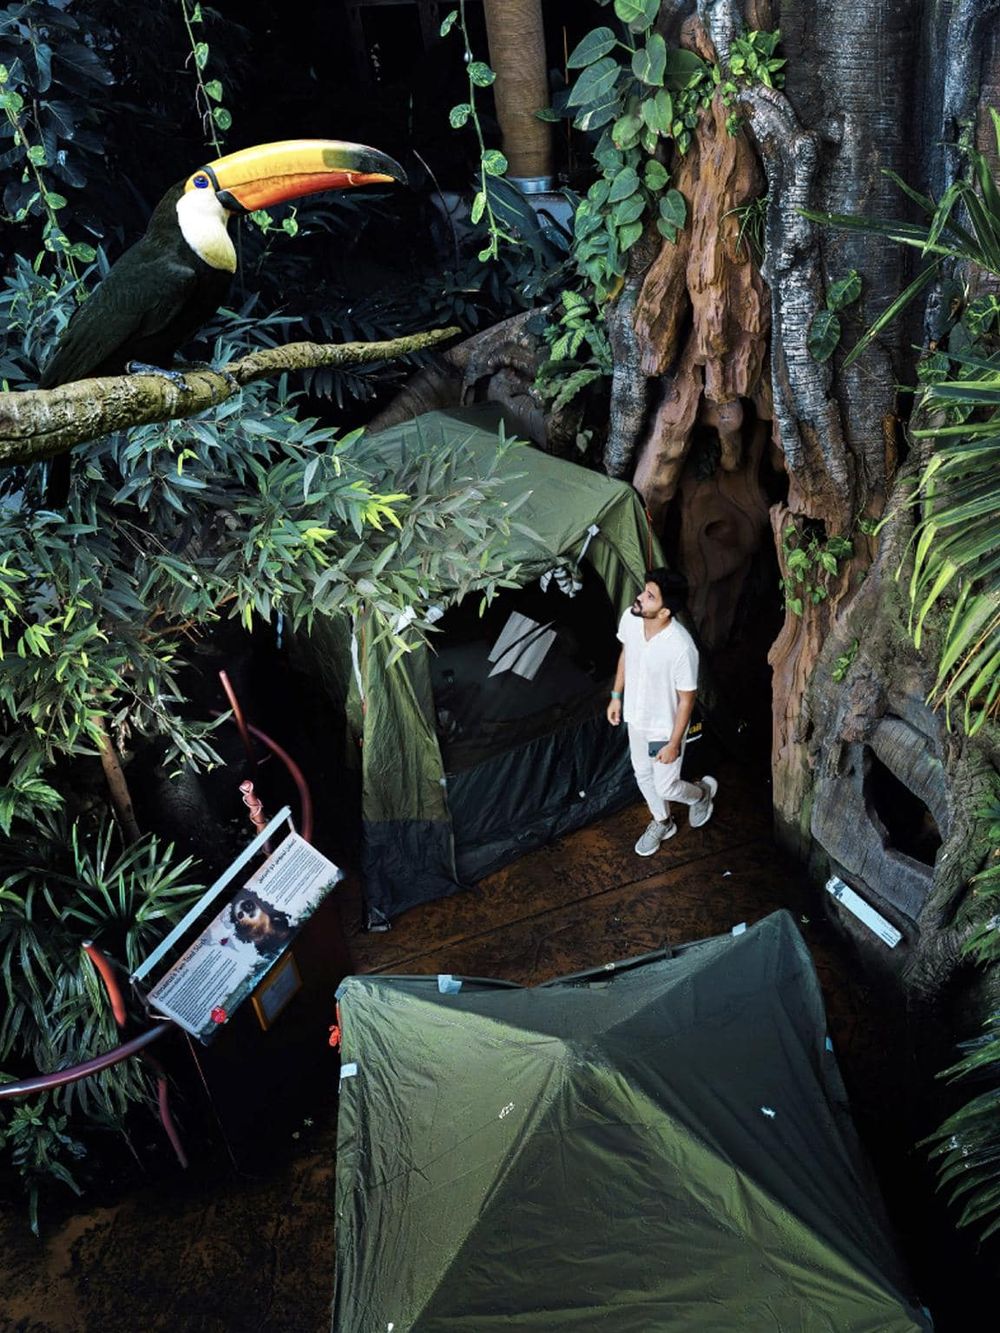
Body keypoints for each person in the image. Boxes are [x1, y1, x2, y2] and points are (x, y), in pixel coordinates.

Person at [607, 568, 718, 855]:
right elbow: (626, 653)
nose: (640, 597)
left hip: (664, 728)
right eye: (645, 590)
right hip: (635, 715)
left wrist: (672, 743)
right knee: (642, 774)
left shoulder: (681, 648)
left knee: (666, 787)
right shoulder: (631, 619)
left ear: (665, 611)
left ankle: (701, 794)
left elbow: (687, 700)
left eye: (650, 596)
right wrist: (617, 695)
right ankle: (662, 821)